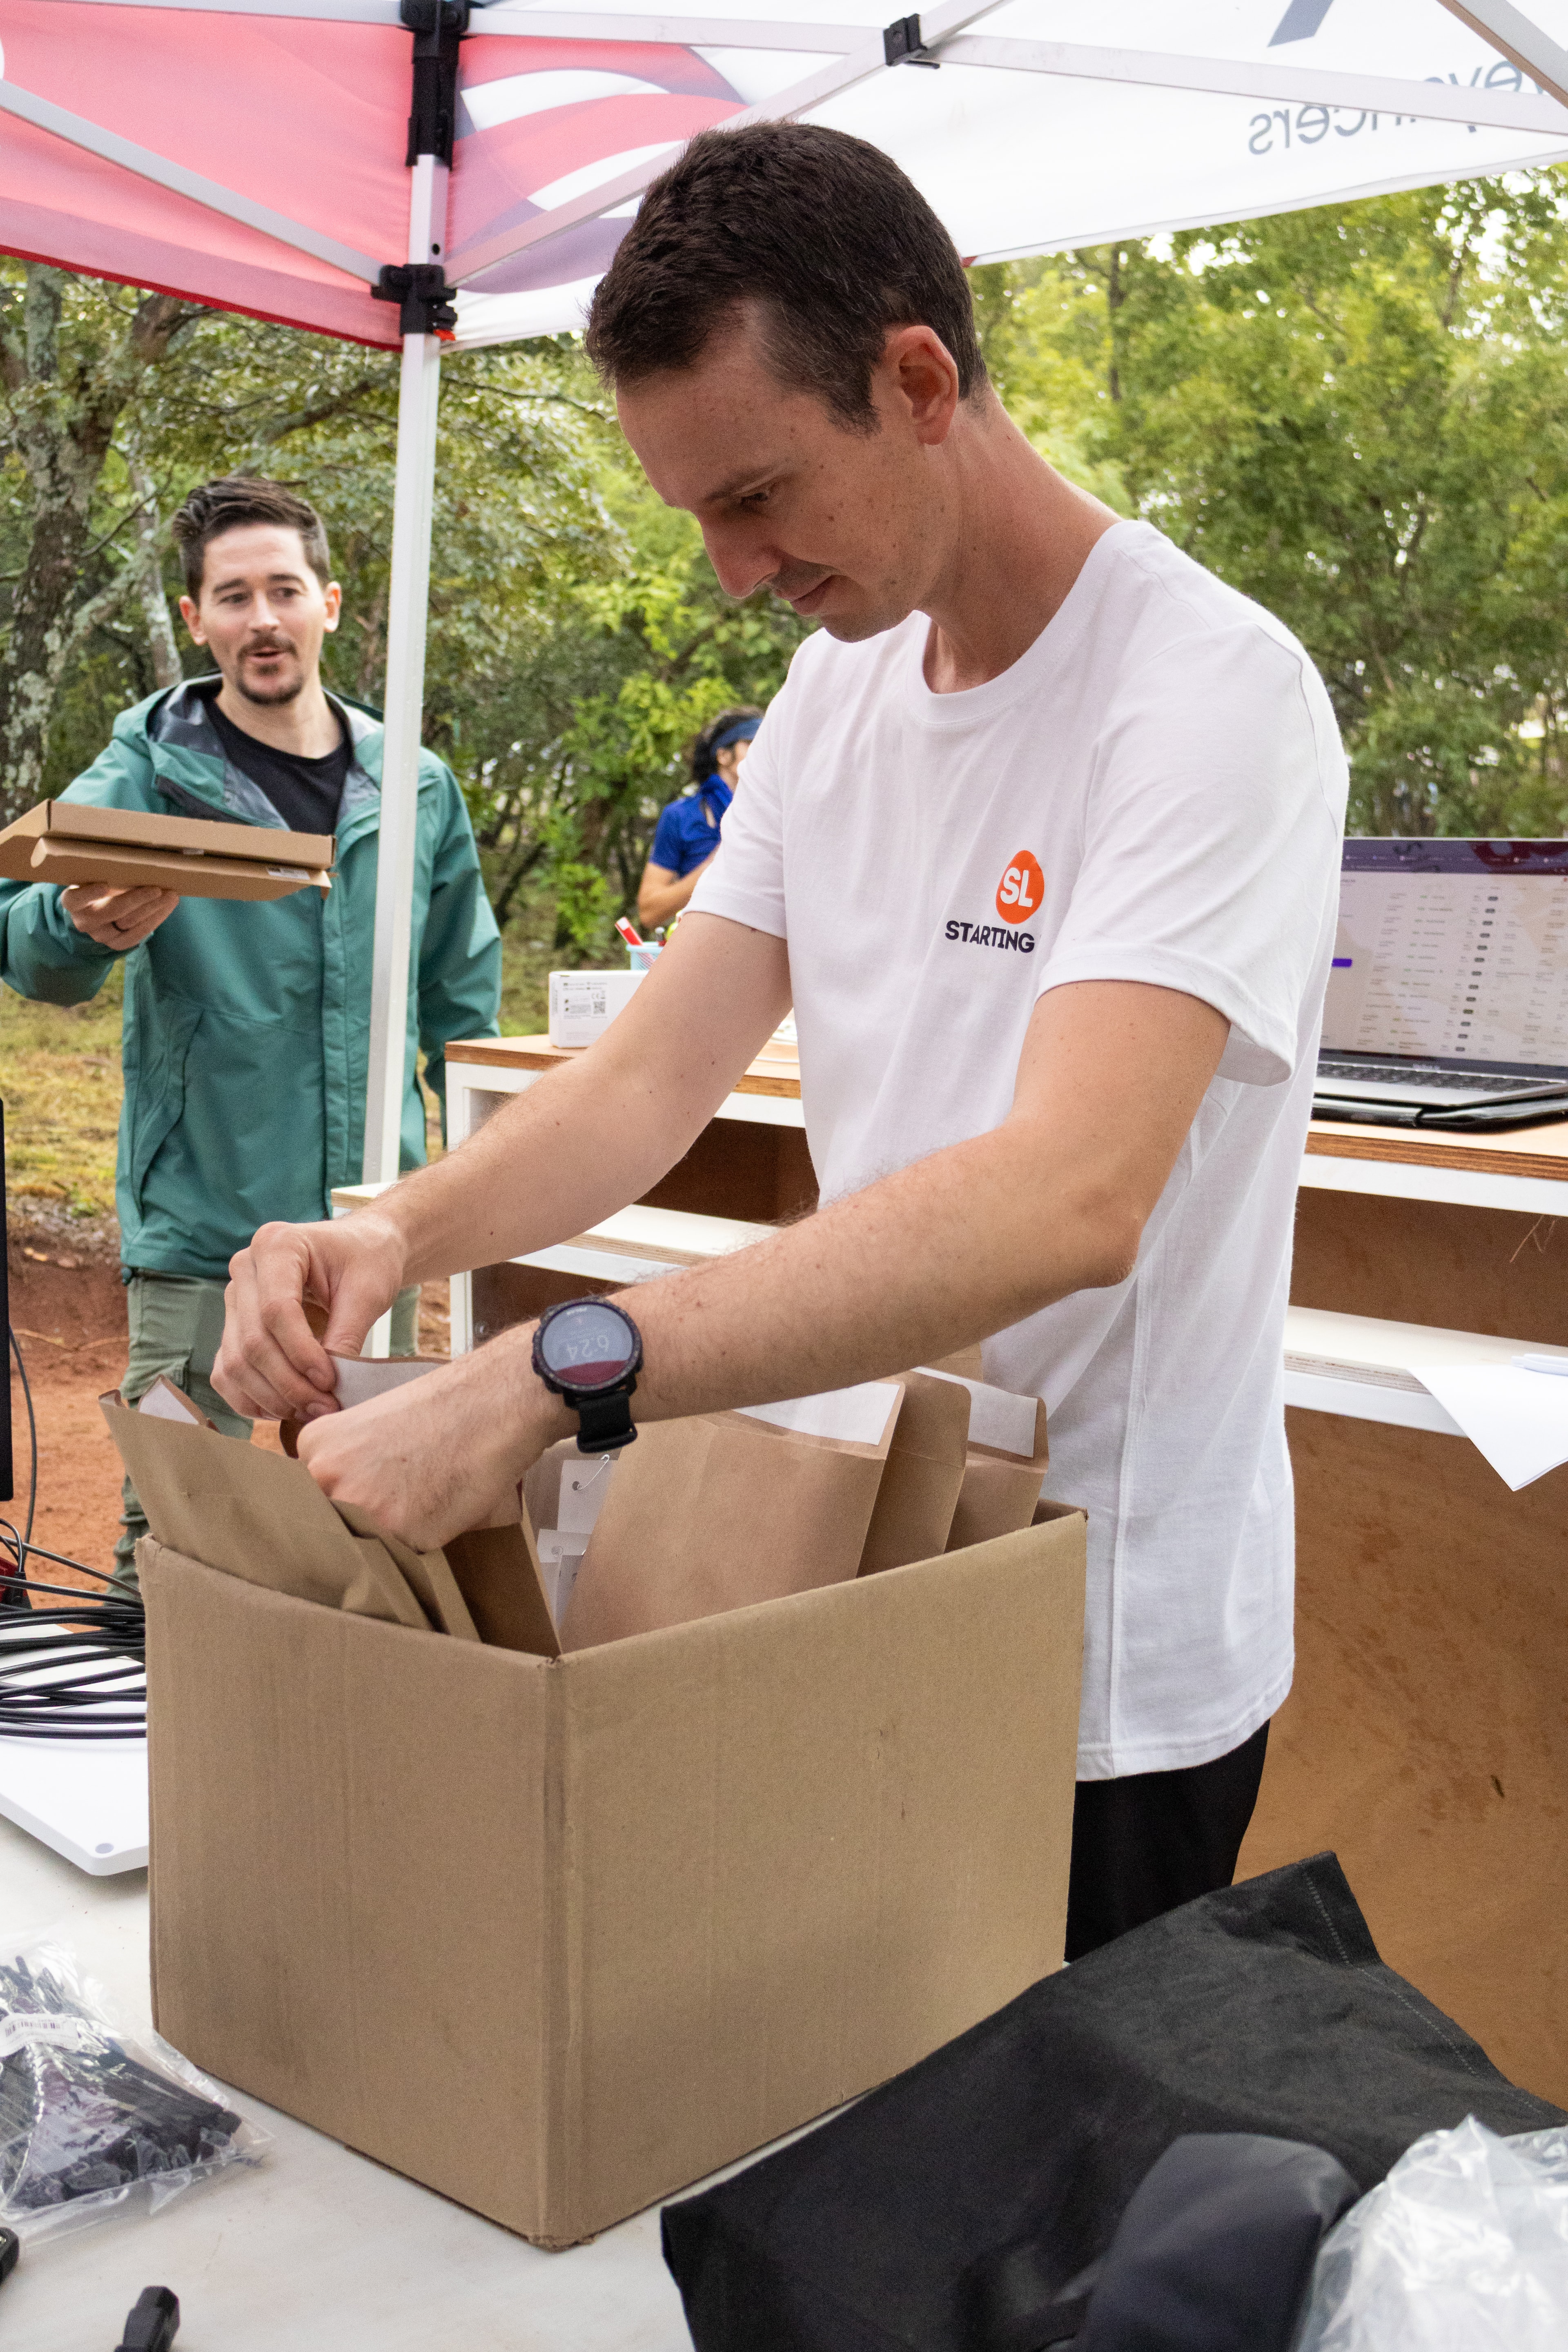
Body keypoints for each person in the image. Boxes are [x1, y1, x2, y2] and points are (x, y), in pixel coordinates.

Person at [214, 127, 1348, 1960]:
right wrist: (399, 1233)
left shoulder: (1208, 697)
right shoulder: (837, 692)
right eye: (697, 521)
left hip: (1094, 1663)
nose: (736, 574)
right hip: (854, 1577)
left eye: (757, 496)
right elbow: (652, 1077)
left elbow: (1068, 1199)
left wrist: (554, 1373)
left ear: (916, 382)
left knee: (1018, 2219)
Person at [0, 475, 500, 1579]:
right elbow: (31, 941)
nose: (261, 618)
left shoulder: (414, 784)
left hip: (378, 1225)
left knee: (378, 1529)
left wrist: (475, 1188)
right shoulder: (148, 769)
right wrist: (85, 919)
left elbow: (463, 1004)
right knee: (181, 1543)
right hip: (205, 1233)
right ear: (197, 620)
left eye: (283, 589)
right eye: (233, 597)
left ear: (329, 602)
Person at [637, 706, 760, 932]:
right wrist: (717, 863)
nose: (764, 753)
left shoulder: (774, 815)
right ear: (724, 755)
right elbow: (649, 913)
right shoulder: (681, 816)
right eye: (753, 744)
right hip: (707, 947)